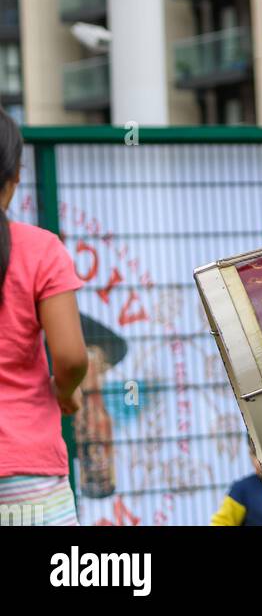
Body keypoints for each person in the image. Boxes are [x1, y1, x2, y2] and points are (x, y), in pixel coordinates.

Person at [0, 104, 87, 525]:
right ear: (15, 177)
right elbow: (71, 358)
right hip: (28, 474)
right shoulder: (39, 249)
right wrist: (63, 390)